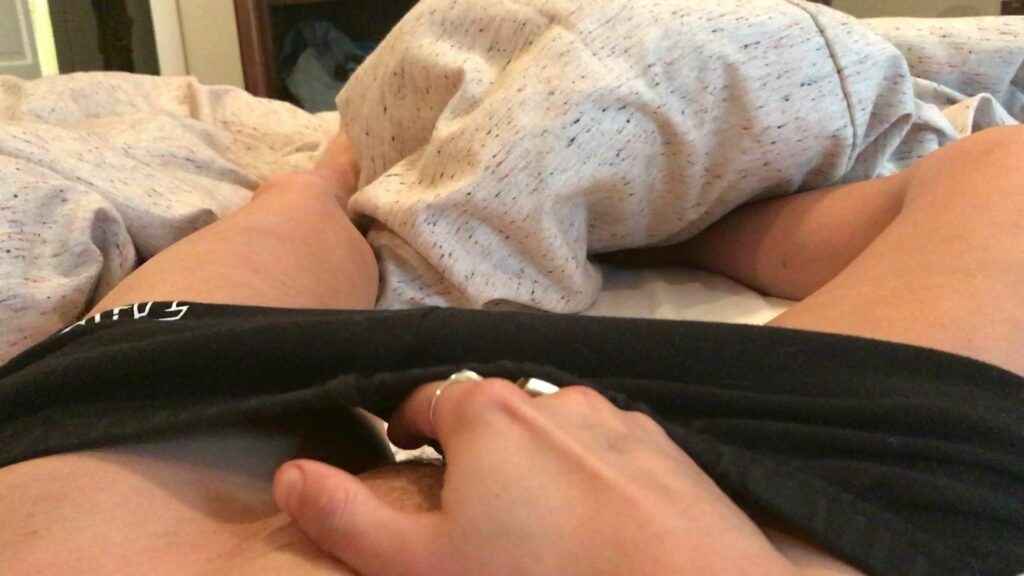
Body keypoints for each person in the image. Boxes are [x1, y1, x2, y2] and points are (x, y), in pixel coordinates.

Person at [1, 125, 1022, 575]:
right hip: (834, 517)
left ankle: (324, 177)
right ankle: (671, 227)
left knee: (293, 221)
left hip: (97, 497)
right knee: (1006, 172)